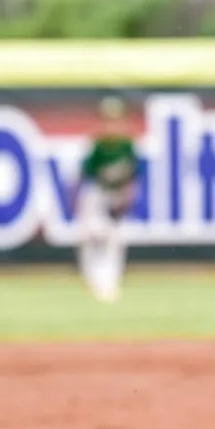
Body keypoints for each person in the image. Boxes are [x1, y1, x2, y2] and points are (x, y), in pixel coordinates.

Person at [75, 96, 139, 302]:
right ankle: (91, 279)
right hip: (97, 196)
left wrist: (127, 196)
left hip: (116, 197)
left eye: (115, 120)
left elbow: (133, 177)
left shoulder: (127, 145)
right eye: (108, 120)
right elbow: (87, 178)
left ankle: (110, 282)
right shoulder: (98, 147)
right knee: (91, 237)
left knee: (115, 240)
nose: (112, 125)